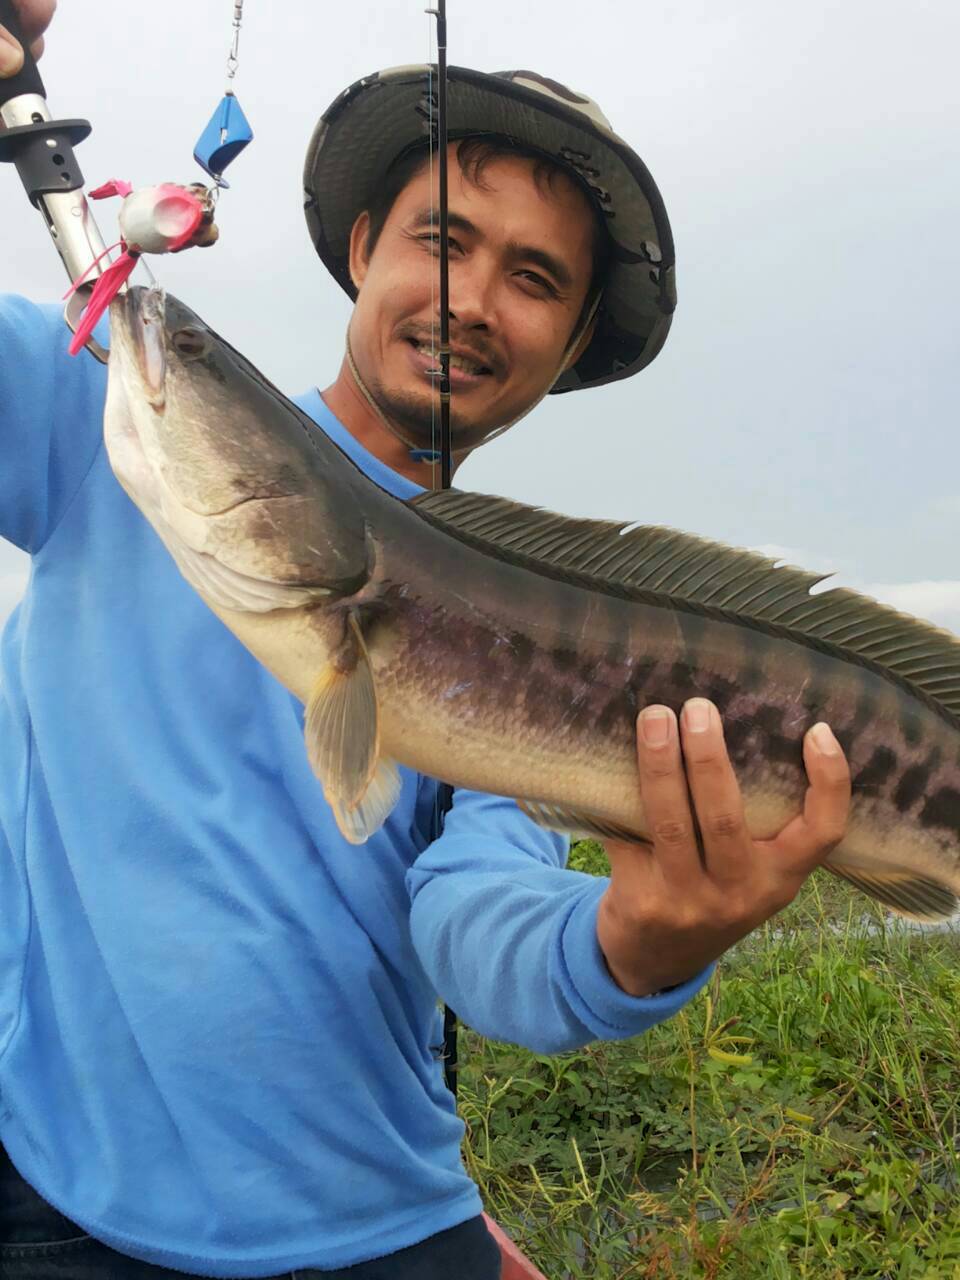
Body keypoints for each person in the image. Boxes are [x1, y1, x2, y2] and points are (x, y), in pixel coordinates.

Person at [0, 6, 852, 1279]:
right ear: (362, 247)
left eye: (535, 278)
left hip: (386, 1228)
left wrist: (640, 938)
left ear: (567, 350)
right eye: (439, 240)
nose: (469, 300)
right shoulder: (102, 422)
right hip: (63, 1201)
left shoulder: (547, 629)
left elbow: (481, 920)